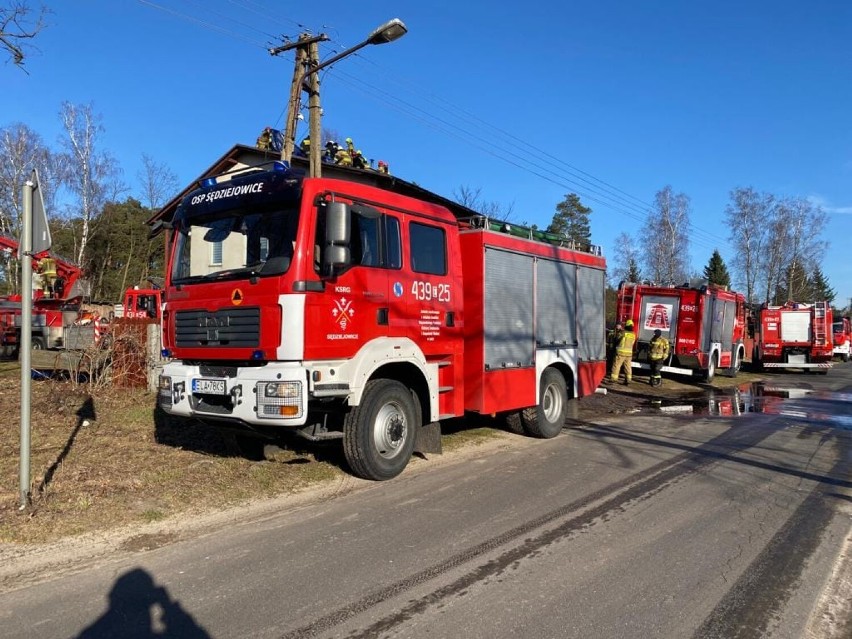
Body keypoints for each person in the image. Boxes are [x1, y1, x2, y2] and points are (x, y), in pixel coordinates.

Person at [609, 319, 636, 385]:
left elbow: (616, 339)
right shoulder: (633, 334)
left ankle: (613, 379)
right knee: (628, 367)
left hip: (621, 353)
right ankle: (628, 379)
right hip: (629, 354)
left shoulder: (622, 332)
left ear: (626, 325)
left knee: (617, 365)